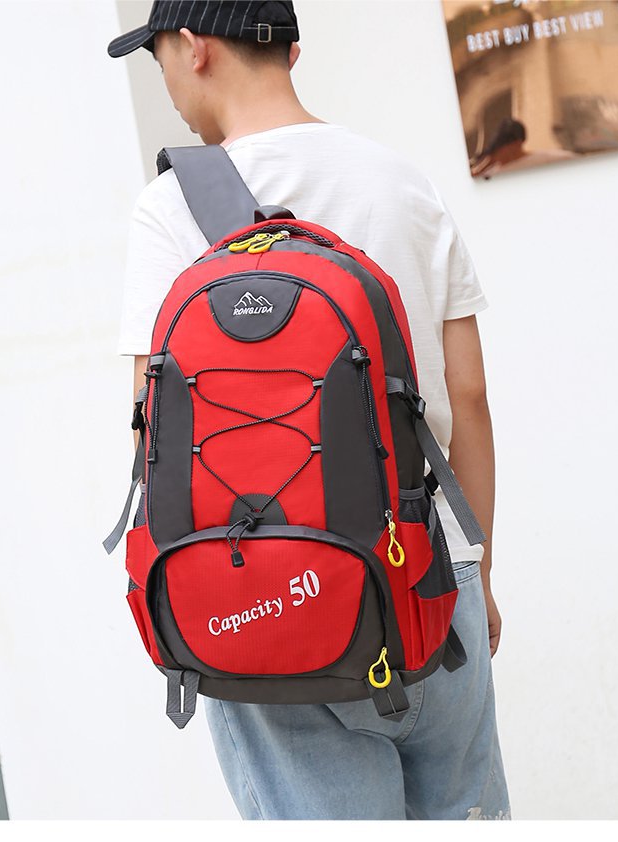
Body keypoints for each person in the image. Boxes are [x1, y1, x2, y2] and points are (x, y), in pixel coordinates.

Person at [109, 0, 510, 821]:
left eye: (158, 58)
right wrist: (477, 572)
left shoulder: (170, 208)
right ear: (289, 51)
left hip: (270, 600)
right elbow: (467, 394)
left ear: (193, 47)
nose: (168, 82)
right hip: (432, 578)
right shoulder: (401, 181)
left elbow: (155, 433)